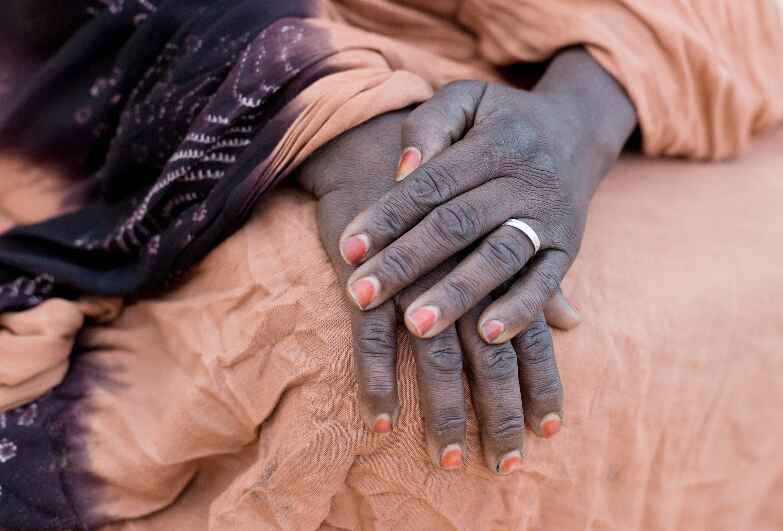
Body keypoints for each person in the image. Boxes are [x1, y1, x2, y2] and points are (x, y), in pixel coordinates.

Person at [0, 1, 781, 529]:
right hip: (159, 69)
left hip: (510, 63)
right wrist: (330, 115)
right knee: (345, 335)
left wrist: (571, 126)